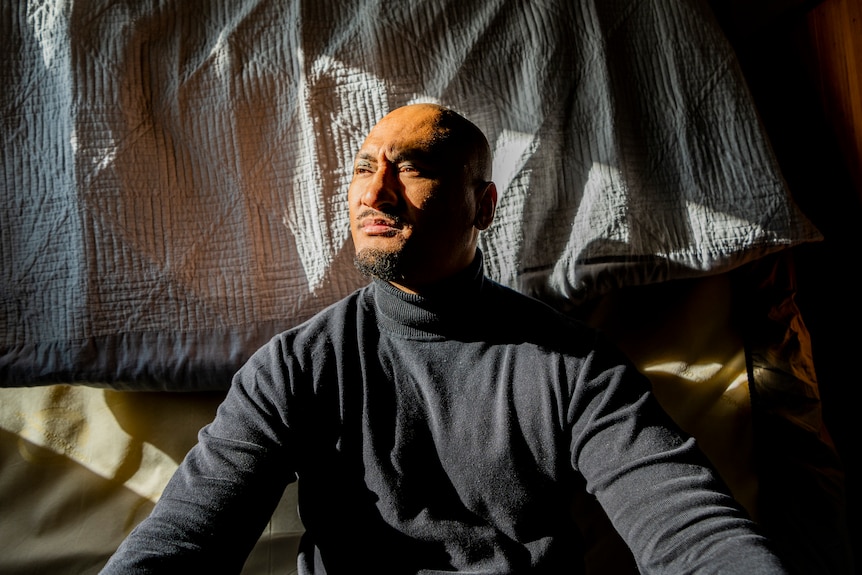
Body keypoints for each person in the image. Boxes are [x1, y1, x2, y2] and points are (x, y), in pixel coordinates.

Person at [101, 103, 790, 574]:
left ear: (483, 205)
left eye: (414, 165)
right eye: (364, 166)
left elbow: (689, 526)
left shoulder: (571, 367)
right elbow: (185, 537)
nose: (376, 192)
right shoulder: (294, 368)